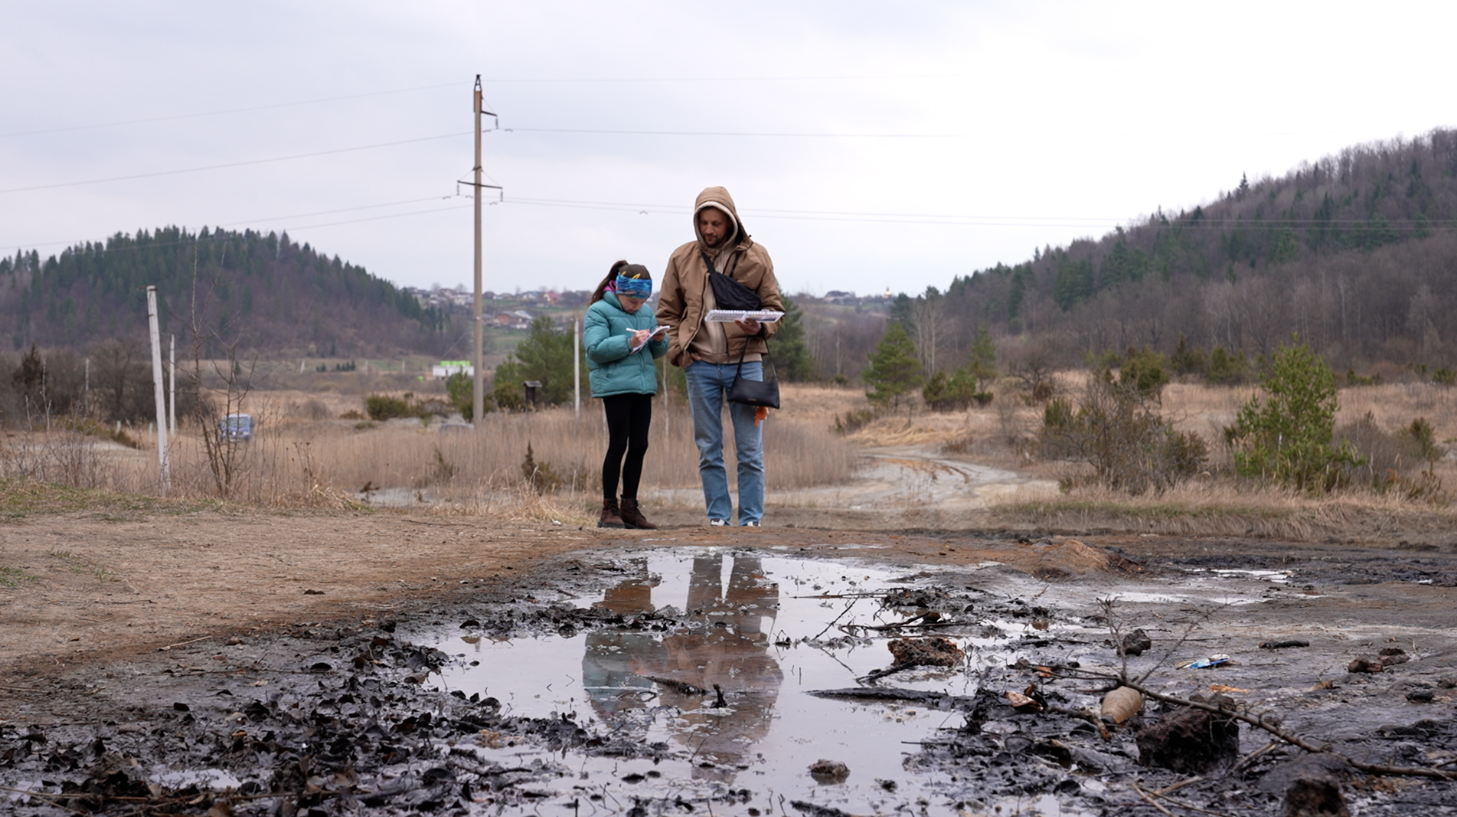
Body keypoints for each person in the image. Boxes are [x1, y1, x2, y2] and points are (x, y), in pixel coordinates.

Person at [657, 186, 783, 527]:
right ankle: (718, 520)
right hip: (700, 366)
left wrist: (759, 327)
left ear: (731, 222)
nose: (709, 230)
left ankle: (751, 522)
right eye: (704, 223)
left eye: (716, 223)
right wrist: (678, 353)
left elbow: (775, 309)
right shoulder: (682, 258)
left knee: (750, 451)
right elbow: (667, 314)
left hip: (747, 365)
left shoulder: (756, 257)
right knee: (709, 449)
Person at [584, 260, 669, 529]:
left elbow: (657, 352)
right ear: (619, 291)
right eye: (632, 301)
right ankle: (608, 508)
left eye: (642, 301)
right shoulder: (598, 311)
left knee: (640, 445)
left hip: (642, 386)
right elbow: (594, 348)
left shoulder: (646, 313)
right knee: (618, 443)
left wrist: (659, 340)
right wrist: (628, 341)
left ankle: (630, 506)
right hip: (615, 386)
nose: (637, 306)